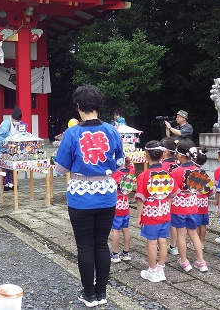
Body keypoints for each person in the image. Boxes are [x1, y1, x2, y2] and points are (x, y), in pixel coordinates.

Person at [54, 84, 125, 307]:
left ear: (78, 106)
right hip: (106, 194)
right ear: (99, 106)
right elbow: (120, 162)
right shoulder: (112, 131)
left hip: (80, 197)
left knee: (85, 246)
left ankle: (89, 294)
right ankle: (102, 292)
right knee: (101, 245)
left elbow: (61, 169)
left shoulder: (73, 133)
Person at [135, 140, 177, 282]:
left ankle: (152, 271)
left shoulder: (144, 175)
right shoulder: (167, 173)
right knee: (163, 242)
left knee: (152, 243)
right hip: (164, 212)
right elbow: (172, 194)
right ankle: (160, 270)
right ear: (162, 155)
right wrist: (168, 209)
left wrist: (138, 216)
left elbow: (141, 199)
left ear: (146, 155)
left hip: (150, 213)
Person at [169, 139, 209, 272]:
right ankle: (201, 261)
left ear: (179, 155)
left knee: (181, 235)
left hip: (178, 205)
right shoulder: (198, 170)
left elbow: (172, 191)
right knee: (193, 234)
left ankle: (184, 261)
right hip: (193, 204)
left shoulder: (175, 172)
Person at [0, 106, 25, 191]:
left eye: (18, 121)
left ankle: (12, 183)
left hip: (14, 149)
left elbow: (23, 135)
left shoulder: (21, 124)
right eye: (16, 120)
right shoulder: (5, 124)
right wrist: (5, 143)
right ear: (12, 118)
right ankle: (5, 183)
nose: (17, 122)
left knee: (13, 167)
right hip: (4, 148)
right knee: (5, 166)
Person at [109, 157, 135, 263]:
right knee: (125, 228)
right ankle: (126, 252)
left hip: (116, 203)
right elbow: (131, 166)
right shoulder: (130, 172)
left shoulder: (114, 174)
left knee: (116, 230)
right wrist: (128, 163)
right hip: (125, 204)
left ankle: (115, 254)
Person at [188, 148, 214, 252]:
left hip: (195, 200)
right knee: (203, 223)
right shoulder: (204, 174)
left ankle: (195, 243)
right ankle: (201, 242)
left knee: (196, 224)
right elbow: (211, 191)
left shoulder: (192, 173)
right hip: (204, 201)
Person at [160, 137, 180, 255]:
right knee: (174, 223)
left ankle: (159, 245)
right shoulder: (178, 163)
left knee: (162, 222)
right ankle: (173, 246)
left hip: (165, 197)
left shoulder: (162, 166)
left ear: (166, 151)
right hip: (178, 196)